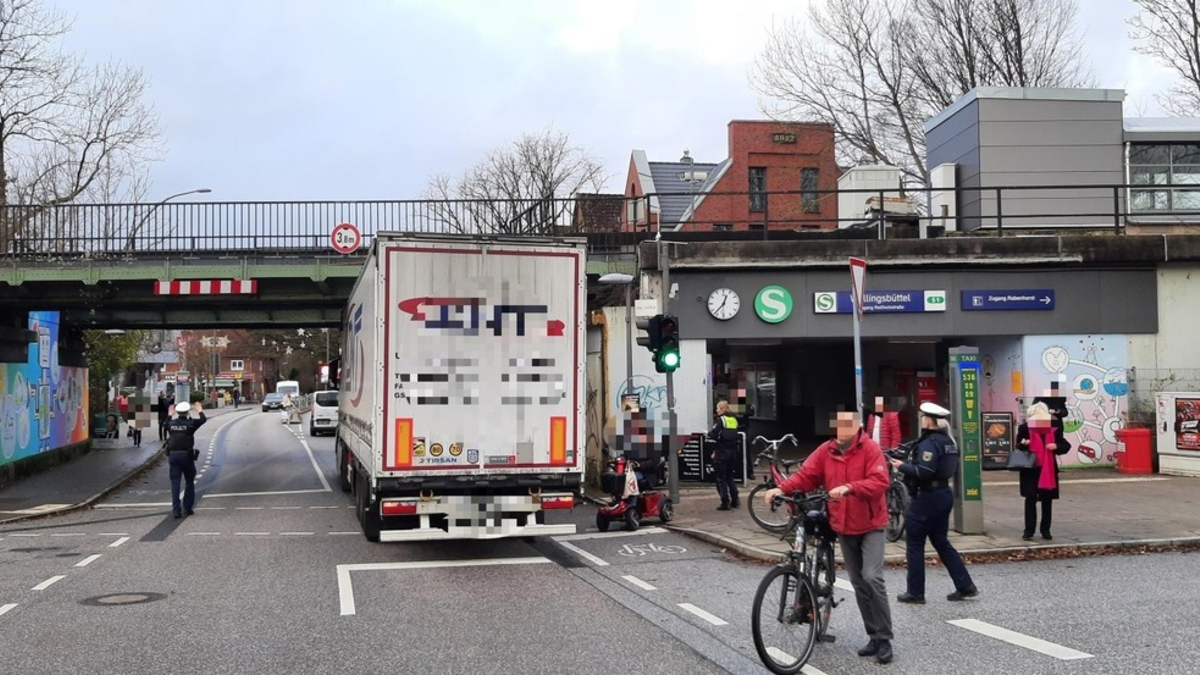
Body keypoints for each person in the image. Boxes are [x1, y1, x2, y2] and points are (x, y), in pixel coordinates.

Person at [763, 409, 895, 665]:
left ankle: (885, 638)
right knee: (858, 582)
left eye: (848, 425)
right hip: (843, 525)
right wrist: (780, 488)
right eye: (839, 426)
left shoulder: (869, 449)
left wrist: (850, 487)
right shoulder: (826, 450)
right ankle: (873, 636)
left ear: (857, 427)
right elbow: (806, 475)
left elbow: (880, 481)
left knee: (872, 577)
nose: (842, 431)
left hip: (870, 525)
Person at [890, 402, 978, 604]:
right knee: (941, 541)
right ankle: (965, 586)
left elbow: (925, 471)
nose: (921, 419)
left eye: (923, 417)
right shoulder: (948, 441)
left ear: (929, 420)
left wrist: (902, 466)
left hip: (926, 498)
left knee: (915, 543)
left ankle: (915, 592)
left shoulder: (930, 443)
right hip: (942, 495)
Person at [1016, 401, 1071, 540]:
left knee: (1047, 501)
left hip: (1048, 469)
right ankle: (1029, 530)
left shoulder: (1054, 428)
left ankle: (1045, 530)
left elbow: (1065, 445)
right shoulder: (1024, 428)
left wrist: (1056, 446)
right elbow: (1018, 445)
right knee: (1030, 499)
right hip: (1030, 468)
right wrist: (1023, 444)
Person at [165, 400, 207, 519]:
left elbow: (165, 423)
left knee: (175, 482)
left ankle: (176, 510)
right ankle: (187, 508)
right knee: (189, 481)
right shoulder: (191, 424)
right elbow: (203, 420)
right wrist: (199, 410)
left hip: (173, 455)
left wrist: (169, 414)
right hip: (186, 456)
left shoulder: (171, 424)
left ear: (177, 412)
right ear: (187, 412)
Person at [707, 399, 740, 510]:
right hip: (733, 453)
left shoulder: (720, 420)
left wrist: (708, 434)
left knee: (721, 478)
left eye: (718, 408)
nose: (716, 410)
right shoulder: (734, 420)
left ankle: (725, 502)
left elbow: (715, 434)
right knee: (730, 477)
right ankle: (735, 500)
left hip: (721, 453)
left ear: (722, 409)